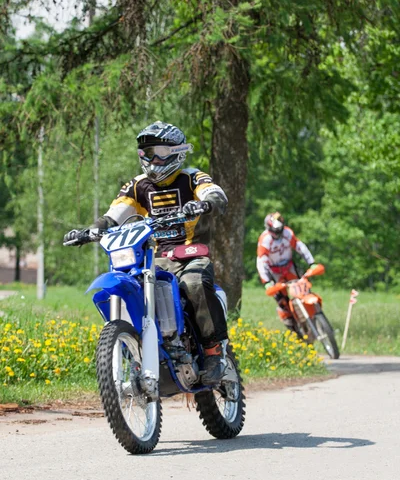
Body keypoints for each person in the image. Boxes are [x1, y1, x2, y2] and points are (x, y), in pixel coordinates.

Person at [64, 121, 228, 385]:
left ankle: (213, 353)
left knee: (194, 283)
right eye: (147, 152)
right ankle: (134, 348)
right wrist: (91, 230)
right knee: (130, 283)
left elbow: (214, 193)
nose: (153, 159)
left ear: (177, 151)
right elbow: (114, 214)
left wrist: (205, 204)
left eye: (160, 152)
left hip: (189, 254)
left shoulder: (191, 177)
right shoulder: (137, 186)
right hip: (153, 257)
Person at [256, 211, 315, 330]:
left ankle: (314, 315)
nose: (278, 234)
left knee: (303, 289)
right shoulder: (265, 240)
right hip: (275, 272)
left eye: (280, 230)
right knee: (283, 302)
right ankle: (294, 329)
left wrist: (311, 263)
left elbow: (299, 246)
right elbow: (261, 262)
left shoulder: (287, 233)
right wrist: (266, 281)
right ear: (269, 228)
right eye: (275, 231)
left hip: (289, 267)